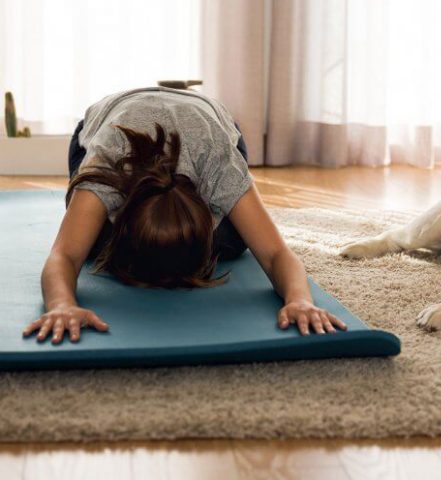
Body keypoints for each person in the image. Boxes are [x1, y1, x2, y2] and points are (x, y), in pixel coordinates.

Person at [23, 87, 346, 344]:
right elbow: (64, 255)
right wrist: (62, 304)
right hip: (110, 118)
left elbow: (276, 254)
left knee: (235, 240)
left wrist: (300, 300)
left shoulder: (219, 162)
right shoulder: (107, 164)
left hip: (211, 123)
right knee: (93, 244)